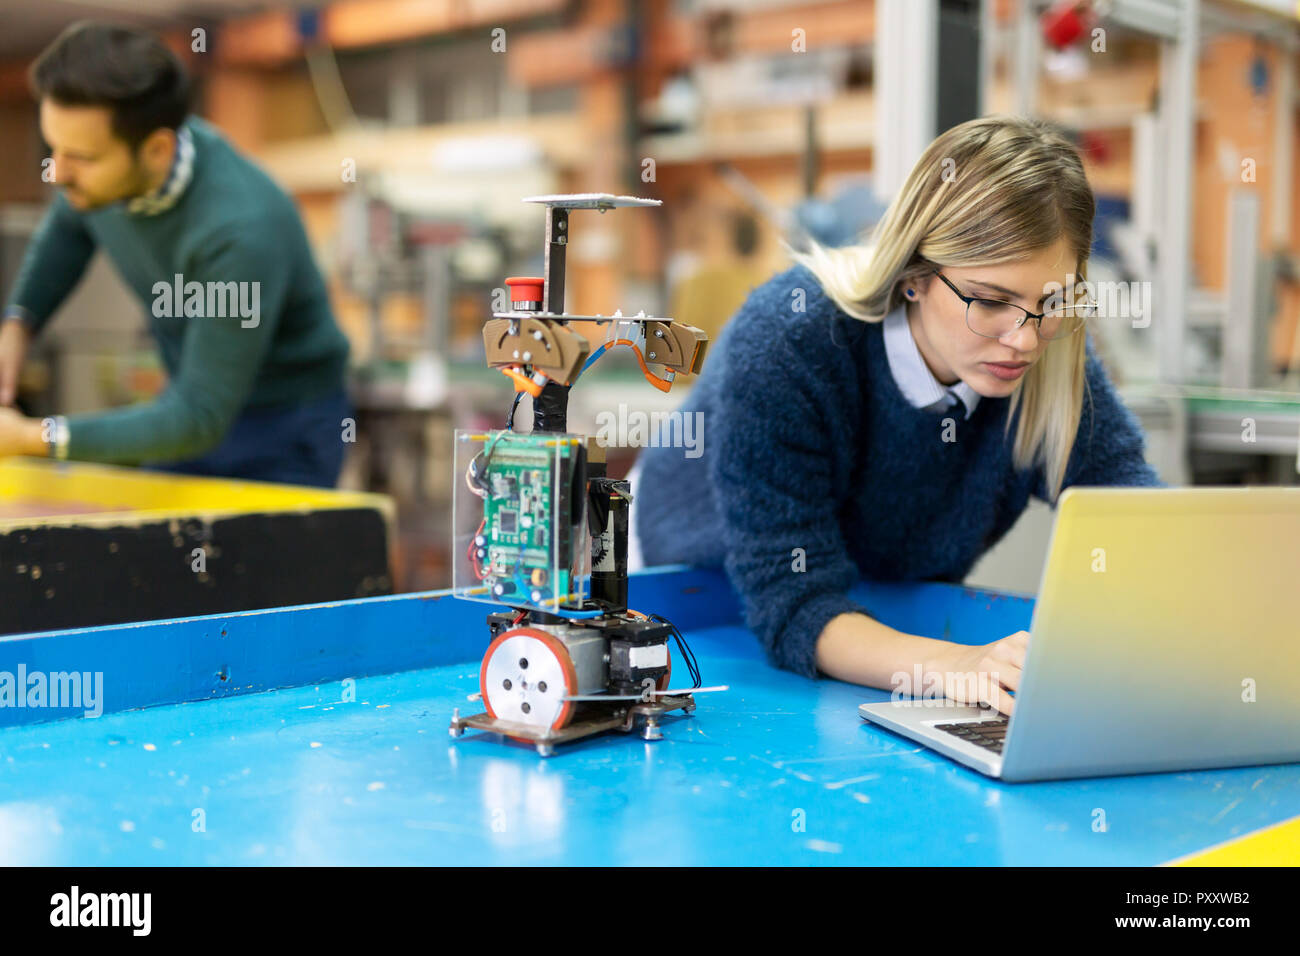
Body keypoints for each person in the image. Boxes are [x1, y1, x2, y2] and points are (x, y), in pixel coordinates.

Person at [628, 115, 1166, 715]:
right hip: (687, 590)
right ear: (914, 276)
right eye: (990, 301)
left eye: (1053, 301)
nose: (1023, 339)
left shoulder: (1048, 351)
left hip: (869, 601)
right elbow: (795, 603)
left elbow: (1132, 518)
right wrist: (958, 665)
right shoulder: (791, 337)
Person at [0, 22, 351, 487]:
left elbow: (201, 417)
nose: (58, 174)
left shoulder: (238, 232)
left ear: (157, 150)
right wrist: (17, 326)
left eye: (80, 157)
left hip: (282, 426)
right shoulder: (96, 182)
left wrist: (33, 436)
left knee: (264, 556)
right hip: (190, 404)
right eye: (54, 150)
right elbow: (66, 231)